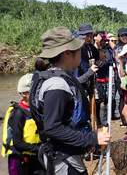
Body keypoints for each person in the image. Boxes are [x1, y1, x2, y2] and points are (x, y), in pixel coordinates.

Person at [29, 27, 111, 174]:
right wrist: (91, 139)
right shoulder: (57, 85)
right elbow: (53, 127)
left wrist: (83, 142)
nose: (81, 51)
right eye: (78, 48)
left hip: (65, 152)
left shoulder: (52, 76)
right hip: (62, 159)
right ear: (67, 53)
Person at [2, 74, 45, 175]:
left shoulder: (38, 110)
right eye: (34, 92)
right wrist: (39, 149)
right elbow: (17, 142)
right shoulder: (18, 114)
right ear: (23, 93)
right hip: (21, 158)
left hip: (35, 155)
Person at [93, 31, 115, 125]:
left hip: (106, 77)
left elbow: (109, 60)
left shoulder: (106, 49)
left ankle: (105, 119)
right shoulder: (92, 49)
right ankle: (97, 119)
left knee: (106, 100)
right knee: (97, 100)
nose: (103, 41)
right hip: (97, 78)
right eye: (101, 39)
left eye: (104, 40)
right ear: (95, 37)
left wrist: (109, 41)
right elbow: (97, 64)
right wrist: (104, 63)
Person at [77, 23, 100, 97]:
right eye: (87, 36)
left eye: (91, 36)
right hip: (80, 87)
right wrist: (90, 71)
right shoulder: (76, 51)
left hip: (89, 84)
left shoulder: (90, 48)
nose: (89, 38)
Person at [116, 27, 127, 127]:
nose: (124, 37)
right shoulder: (116, 48)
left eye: (126, 35)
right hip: (120, 75)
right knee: (122, 97)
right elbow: (116, 60)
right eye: (122, 36)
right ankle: (123, 120)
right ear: (119, 37)